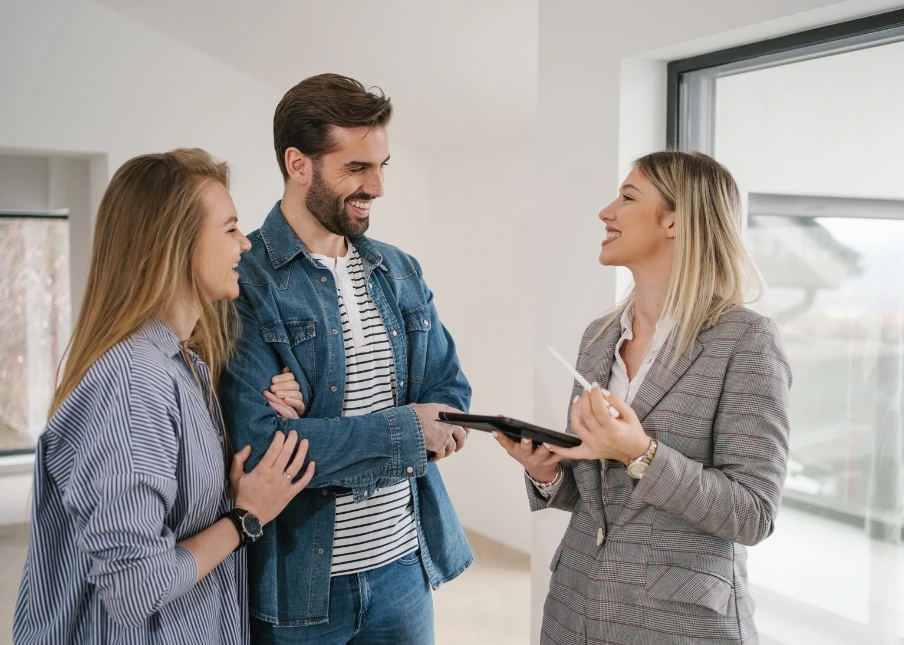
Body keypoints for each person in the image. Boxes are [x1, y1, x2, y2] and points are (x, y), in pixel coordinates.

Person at [13, 149, 314, 644]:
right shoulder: (134, 383)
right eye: (230, 228)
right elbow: (136, 586)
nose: (245, 244)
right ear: (179, 245)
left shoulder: (184, 363)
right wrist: (245, 519)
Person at [496, 151, 792, 644]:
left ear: (675, 220)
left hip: (679, 626)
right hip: (574, 613)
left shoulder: (746, 340)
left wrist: (641, 453)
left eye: (628, 197)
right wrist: (547, 471)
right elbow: (600, 498)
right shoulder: (599, 337)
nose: (606, 211)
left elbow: (752, 513)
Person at [219, 73, 472, 644]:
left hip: (404, 568)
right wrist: (409, 429)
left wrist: (315, 432)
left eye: (382, 165)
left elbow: (450, 393)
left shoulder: (399, 270)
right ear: (298, 163)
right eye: (357, 168)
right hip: (301, 587)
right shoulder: (246, 278)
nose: (377, 186)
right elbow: (260, 450)